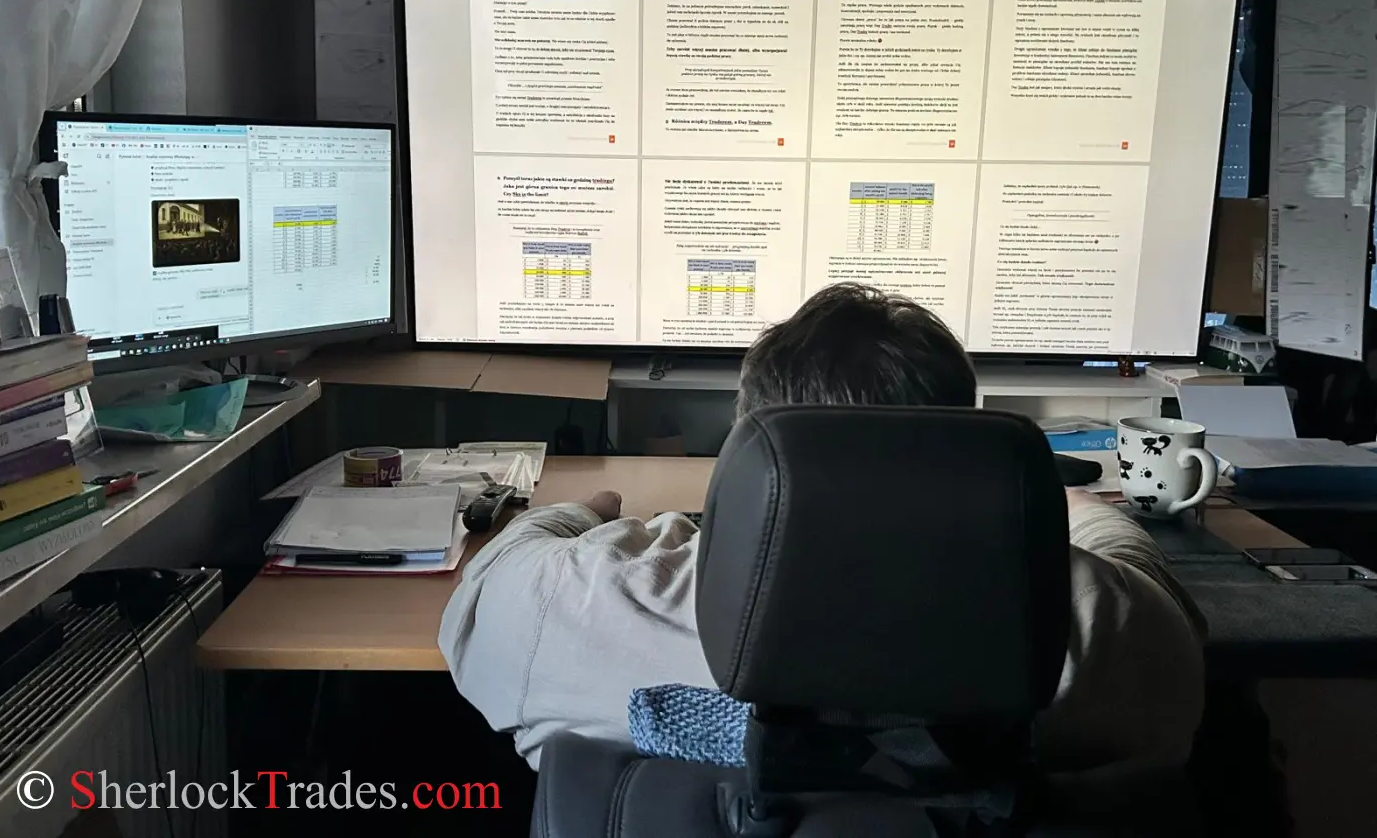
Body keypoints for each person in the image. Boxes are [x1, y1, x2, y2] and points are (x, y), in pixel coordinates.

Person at [439, 283, 1207, 777]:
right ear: (960, 444)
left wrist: (583, 514)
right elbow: (1154, 607)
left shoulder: (578, 601)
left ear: (751, 446)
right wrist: (1079, 515)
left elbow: (492, 579)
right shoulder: (1096, 623)